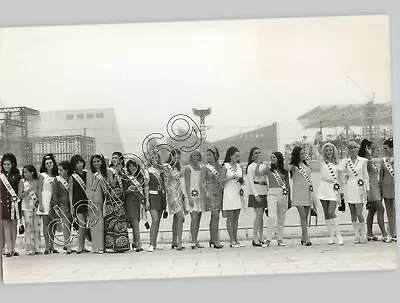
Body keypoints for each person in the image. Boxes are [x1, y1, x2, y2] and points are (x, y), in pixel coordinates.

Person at [313, 132, 344, 245]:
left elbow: (340, 179)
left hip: (333, 189)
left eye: (330, 150)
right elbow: (314, 151)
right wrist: (316, 141)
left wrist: (341, 192)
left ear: (334, 151)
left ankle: (339, 235)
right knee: (326, 213)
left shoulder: (338, 163)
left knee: (332, 212)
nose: (329, 152)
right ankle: (331, 236)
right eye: (327, 150)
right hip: (323, 188)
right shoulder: (322, 161)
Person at [255, 151, 291, 247]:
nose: (273, 159)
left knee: (281, 218)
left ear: (278, 158)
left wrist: (289, 198)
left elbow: (287, 184)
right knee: (271, 217)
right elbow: (257, 173)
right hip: (271, 193)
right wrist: (258, 163)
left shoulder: (284, 170)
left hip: (282, 193)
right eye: (271, 157)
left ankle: (280, 238)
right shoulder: (268, 169)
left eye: (274, 157)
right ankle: (268, 239)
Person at [358, 140, 390, 243]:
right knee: (380, 209)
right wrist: (368, 154)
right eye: (371, 148)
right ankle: (385, 234)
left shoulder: (367, 159)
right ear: (367, 149)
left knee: (372, 211)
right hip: (371, 188)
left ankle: (369, 233)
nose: (374, 150)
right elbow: (369, 168)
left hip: (375, 187)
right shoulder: (365, 160)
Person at [340, 141, 369, 244]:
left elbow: (366, 176)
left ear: (357, 148)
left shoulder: (363, 161)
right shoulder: (346, 161)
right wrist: (345, 156)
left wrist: (367, 189)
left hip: (359, 186)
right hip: (349, 186)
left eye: (354, 148)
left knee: (359, 213)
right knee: (352, 212)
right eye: (350, 148)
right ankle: (356, 235)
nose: (352, 150)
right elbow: (340, 169)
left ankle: (363, 235)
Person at [285, 146, 315, 246]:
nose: (303, 155)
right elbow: (286, 168)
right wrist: (287, 155)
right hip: (298, 194)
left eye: (304, 153)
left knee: (305, 217)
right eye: (301, 154)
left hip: (307, 193)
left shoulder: (306, 165)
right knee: (302, 217)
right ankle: (307, 239)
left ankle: (303, 237)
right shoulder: (294, 166)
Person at [160, 148, 186, 251]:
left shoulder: (177, 167)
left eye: (179, 158)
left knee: (176, 218)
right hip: (171, 194)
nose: (177, 159)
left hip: (178, 193)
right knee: (180, 216)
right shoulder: (167, 166)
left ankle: (174, 241)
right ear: (171, 156)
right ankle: (179, 241)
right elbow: (175, 176)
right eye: (175, 157)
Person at [104, 151, 130, 253]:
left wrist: (121, 172)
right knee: (112, 221)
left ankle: (122, 245)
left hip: (121, 200)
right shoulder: (110, 170)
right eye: (113, 157)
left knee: (121, 220)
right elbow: (112, 183)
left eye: (116, 158)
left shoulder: (124, 171)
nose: (114, 159)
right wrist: (117, 172)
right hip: (112, 200)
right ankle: (111, 244)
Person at [200, 147, 223, 249]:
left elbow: (222, 180)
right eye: (207, 155)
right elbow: (201, 183)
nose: (208, 156)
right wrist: (206, 192)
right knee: (215, 215)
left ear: (215, 155)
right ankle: (216, 240)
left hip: (219, 193)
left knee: (215, 217)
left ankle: (212, 239)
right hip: (210, 193)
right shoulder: (205, 167)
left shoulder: (220, 166)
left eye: (210, 154)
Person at [221, 146, 245, 248]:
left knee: (236, 218)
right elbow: (221, 180)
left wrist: (241, 181)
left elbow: (242, 180)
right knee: (230, 217)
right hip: (229, 193)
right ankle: (231, 240)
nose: (237, 158)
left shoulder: (239, 166)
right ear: (230, 156)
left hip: (237, 192)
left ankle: (236, 239)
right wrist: (230, 177)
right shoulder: (225, 166)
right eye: (235, 156)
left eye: (238, 156)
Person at [0, 153, 22, 257]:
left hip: (14, 205)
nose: (6, 166)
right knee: (6, 227)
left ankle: (14, 248)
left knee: (14, 226)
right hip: (3, 204)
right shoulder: (1, 177)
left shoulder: (18, 176)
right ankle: (8, 249)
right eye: (4, 164)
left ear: (13, 164)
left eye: (8, 164)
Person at [50, 161, 74, 254]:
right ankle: (68, 245)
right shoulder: (57, 179)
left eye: (61, 170)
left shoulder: (71, 178)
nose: (59, 172)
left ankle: (67, 243)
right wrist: (55, 204)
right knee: (66, 225)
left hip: (72, 203)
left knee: (71, 224)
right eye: (58, 170)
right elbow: (55, 192)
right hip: (62, 204)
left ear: (66, 170)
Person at [123, 159, 147, 252]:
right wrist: (128, 190)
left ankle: (134, 242)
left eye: (133, 166)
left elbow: (145, 189)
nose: (132, 168)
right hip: (130, 202)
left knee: (136, 223)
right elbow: (123, 191)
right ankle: (139, 244)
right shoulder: (126, 178)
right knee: (135, 223)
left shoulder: (141, 177)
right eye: (130, 166)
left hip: (139, 202)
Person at [246, 147, 268, 247]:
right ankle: (254, 237)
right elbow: (250, 181)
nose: (258, 154)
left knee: (261, 216)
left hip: (264, 190)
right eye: (255, 153)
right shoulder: (251, 166)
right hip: (256, 191)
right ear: (252, 156)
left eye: (259, 153)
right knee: (258, 214)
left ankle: (260, 236)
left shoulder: (265, 166)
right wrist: (255, 195)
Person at [69, 155, 91, 253]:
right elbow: (70, 192)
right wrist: (71, 206)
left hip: (86, 201)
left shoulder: (87, 174)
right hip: (77, 202)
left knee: (86, 224)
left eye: (81, 162)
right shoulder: (72, 177)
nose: (80, 164)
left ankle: (83, 246)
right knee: (81, 224)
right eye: (77, 163)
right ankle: (80, 246)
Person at [37, 153, 58, 254]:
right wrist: (40, 203)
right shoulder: (42, 175)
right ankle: (46, 246)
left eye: (50, 162)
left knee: (53, 223)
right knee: (46, 224)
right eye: (47, 163)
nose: (49, 164)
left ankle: (52, 245)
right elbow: (39, 189)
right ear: (44, 165)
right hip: (45, 200)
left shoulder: (57, 175)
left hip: (54, 201)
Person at [18, 165, 42, 255]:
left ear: (32, 172)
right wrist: (28, 190)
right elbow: (20, 195)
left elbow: (40, 192)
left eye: (26, 172)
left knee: (37, 226)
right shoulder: (22, 182)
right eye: (23, 172)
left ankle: (38, 247)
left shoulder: (37, 181)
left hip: (36, 206)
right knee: (29, 227)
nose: (24, 174)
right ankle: (29, 248)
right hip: (26, 206)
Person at [86, 153, 107, 254]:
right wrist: (90, 201)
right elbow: (89, 189)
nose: (96, 163)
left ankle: (102, 246)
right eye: (94, 161)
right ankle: (96, 247)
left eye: (98, 161)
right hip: (93, 202)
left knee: (102, 224)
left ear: (102, 162)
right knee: (95, 224)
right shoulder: (90, 173)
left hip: (103, 202)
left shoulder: (104, 173)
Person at [146, 152, 166, 252]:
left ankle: (154, 243)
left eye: (157, 158)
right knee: (155, 220)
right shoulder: (147, 171)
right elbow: (145, 186)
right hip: (152, 196)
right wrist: (146, 201)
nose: (155, 159)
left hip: (160, 196)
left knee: (158, 222)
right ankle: (150, 243)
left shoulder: (161, 171)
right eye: (153, 158)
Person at [184, 150, 205, 249]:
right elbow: (187, 184)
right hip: (192, 194)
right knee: (194, 218)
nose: (196, 157)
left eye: (197, 155)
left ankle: (196, 240)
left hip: (200, 195)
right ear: (191, 157)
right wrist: (189, 198)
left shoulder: (201, 168)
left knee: (199, 219)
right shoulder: (188, 169)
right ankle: (192, 240)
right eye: (194, 155)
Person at [379, 138, 396, 242]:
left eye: (386, 148)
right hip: (387, 188)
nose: (385, 150)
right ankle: (392, 233)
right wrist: (380, 189)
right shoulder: (384, 161)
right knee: (390, 212)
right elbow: (381, 176)